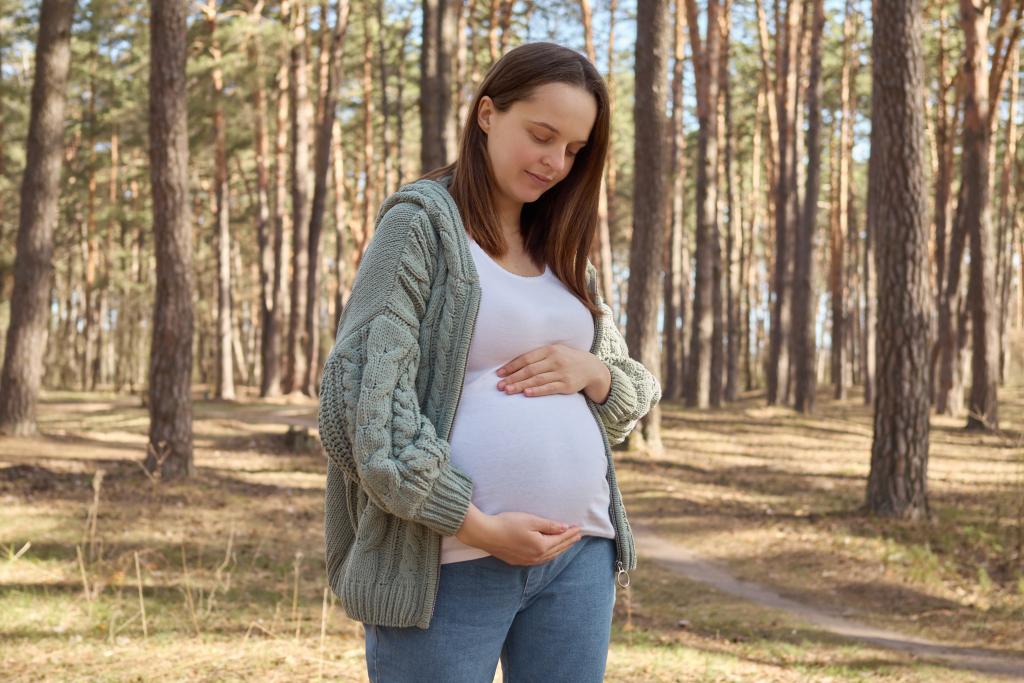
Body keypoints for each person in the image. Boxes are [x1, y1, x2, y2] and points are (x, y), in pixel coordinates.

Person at [318, 41, 661, 683]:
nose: (555, 162)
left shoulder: (561, 251)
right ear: (486, 114)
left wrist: (596, 374)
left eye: (574, 150)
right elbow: (360, 402)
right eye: (541, 135)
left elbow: (630, 392)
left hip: (579, 555)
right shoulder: (420, 227)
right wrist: (475, 524)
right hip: (448, 559)